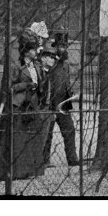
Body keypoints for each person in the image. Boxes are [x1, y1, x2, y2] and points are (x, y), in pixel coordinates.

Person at [0, 27, 51, 182]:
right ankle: (12, 171)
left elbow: (41, 84)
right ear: (26, 51)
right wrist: (25, 86)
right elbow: (9, 88)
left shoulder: (36, 66)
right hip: (18, 106)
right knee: (16, 140)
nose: (35, 52)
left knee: (32, 139)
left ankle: (29, 170)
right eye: (33, 50)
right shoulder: (16, 66)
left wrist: (42, 81)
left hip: (32, 106)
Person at [41, 32, 79, 167]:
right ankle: (44, 160)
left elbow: (66, 80)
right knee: (47, 133)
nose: (63, 48)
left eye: (65, 46)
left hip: (63, 103)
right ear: (56, 46)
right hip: (50, 102)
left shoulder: (66, 63)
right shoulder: (49, 60)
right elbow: (44, 79)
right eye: (61, 46)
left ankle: (72, 159)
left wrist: (70, 93)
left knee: (70, 130)